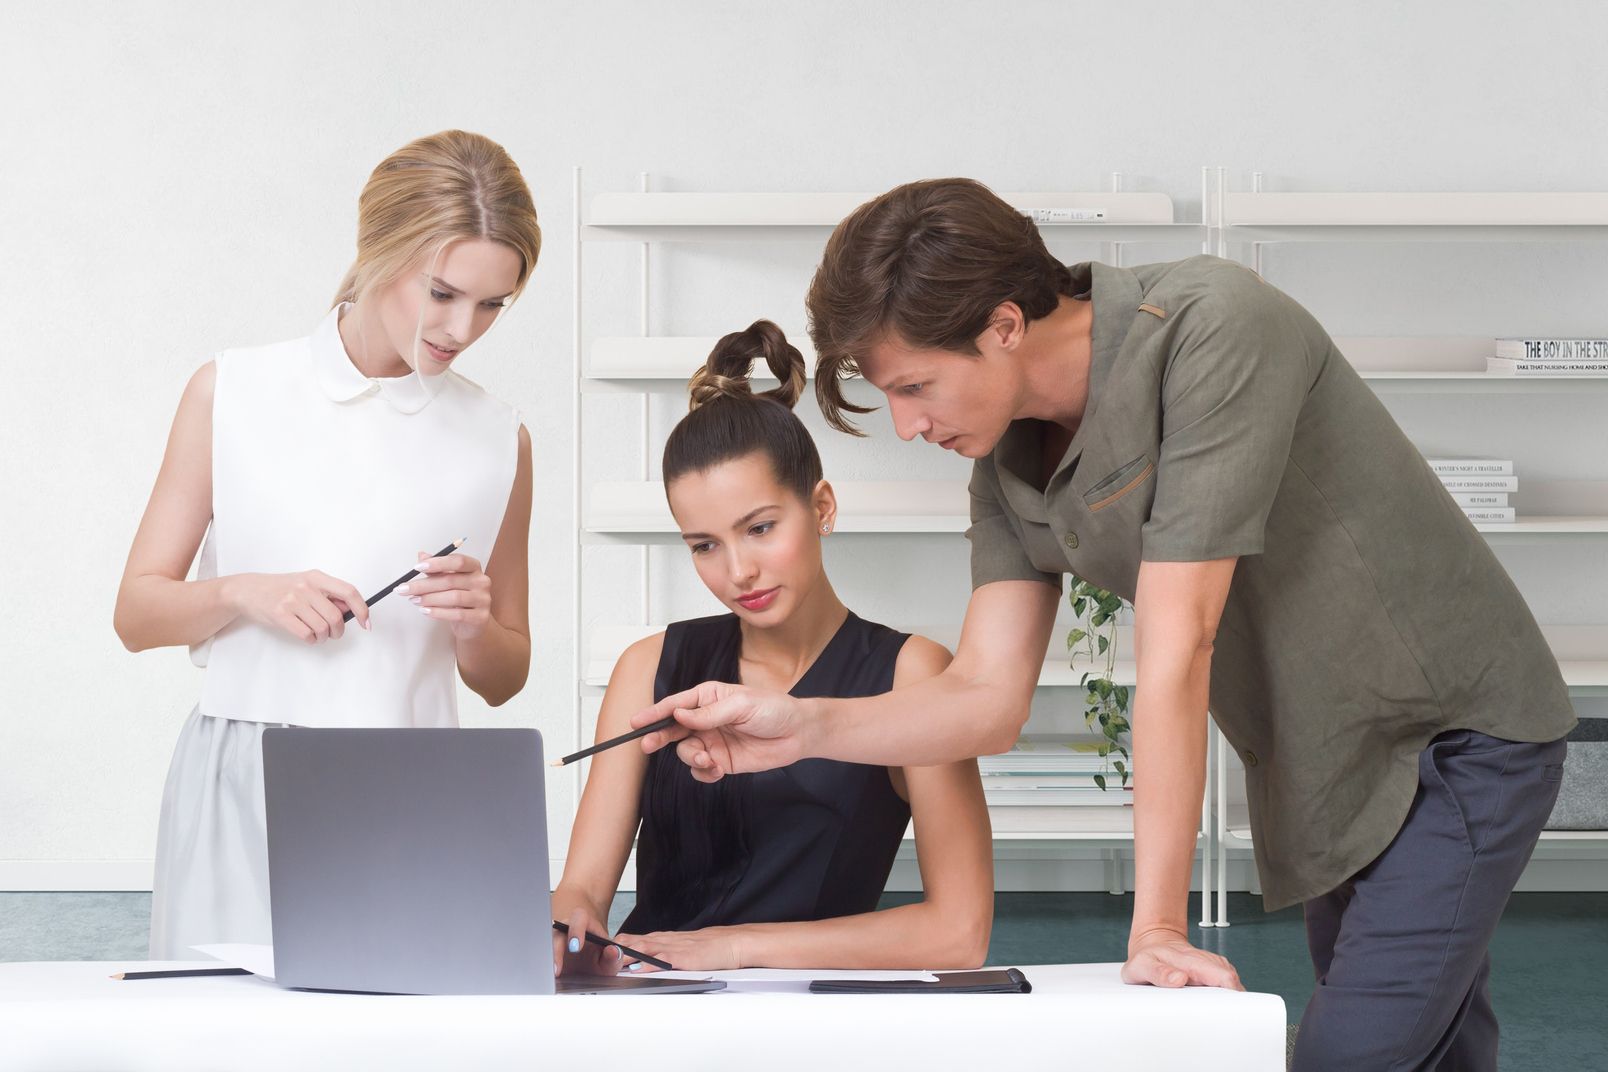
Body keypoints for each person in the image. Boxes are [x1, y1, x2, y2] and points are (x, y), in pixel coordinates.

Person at [631, 179, 1574, 1070]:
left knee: (1354, 1052)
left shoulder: (1215, 328)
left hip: (1453, 736)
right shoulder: (1003, 463)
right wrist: (797, 728)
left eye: (914, 387)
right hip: (1321, 768)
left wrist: (1158, 925)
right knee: (1431, 1042)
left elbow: (1179, 647)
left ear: (1003, 326)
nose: (907, 424)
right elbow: (986, 699)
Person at [113, 130, 541, 960]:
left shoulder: (500, 438)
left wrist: (473, 622)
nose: (464, 328)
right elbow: (135, 614)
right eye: (444, 293)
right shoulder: (231, 390)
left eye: (494, 304)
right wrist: (244, 592)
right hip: (243, 774)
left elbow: (503, 677)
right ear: (379, 251)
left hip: (417, 788)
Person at [551, 321, 994, 977]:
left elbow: (959, 933)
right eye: (704, 544)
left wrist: (733, 948)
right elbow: (582, 892)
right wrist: (565, 924)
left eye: (759, 528)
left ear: (821, 508)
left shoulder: (911, 675)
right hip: (647, 1005)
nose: (739, 571)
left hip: (804, 1018)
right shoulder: (648, 668)